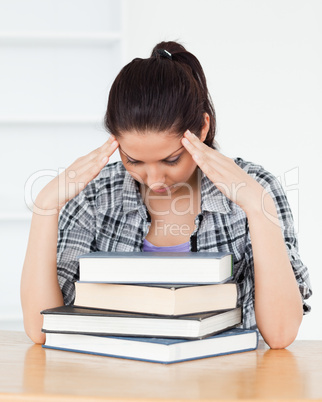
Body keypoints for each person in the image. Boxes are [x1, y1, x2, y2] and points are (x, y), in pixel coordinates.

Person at [21, 41, 312, 346]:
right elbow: (41, 328)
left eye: (171, 160)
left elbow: (280, 334)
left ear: (201, 129)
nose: (155, 178)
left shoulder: (255, 187)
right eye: (133, 160)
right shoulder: (94, 197)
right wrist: (45, 207)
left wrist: (257, 207)